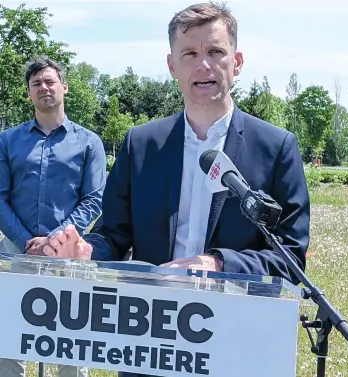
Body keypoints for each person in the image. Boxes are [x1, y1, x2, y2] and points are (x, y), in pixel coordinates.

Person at [45, 0, 310, 326]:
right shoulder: (140, 144)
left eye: (215, 52)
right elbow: (113, 236)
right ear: (172, 66)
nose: (203, 65)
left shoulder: (277, 148)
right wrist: (86, 251)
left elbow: (290, 258)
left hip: (236, 332)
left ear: (237, 62)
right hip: (150, 332)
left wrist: (216, 264)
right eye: (190, 54)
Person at [0, 57, 106, 376]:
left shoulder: (90, 142)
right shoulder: (7, 141)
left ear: (64, 87)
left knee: (72, 343)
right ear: (29, 94)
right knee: (8, 338)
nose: (44, 88)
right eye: (36, 84)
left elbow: (94, 198)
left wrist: (54, 240)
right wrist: (26, 241)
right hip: (16, 254)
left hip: (72, 254)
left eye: (49, 81)